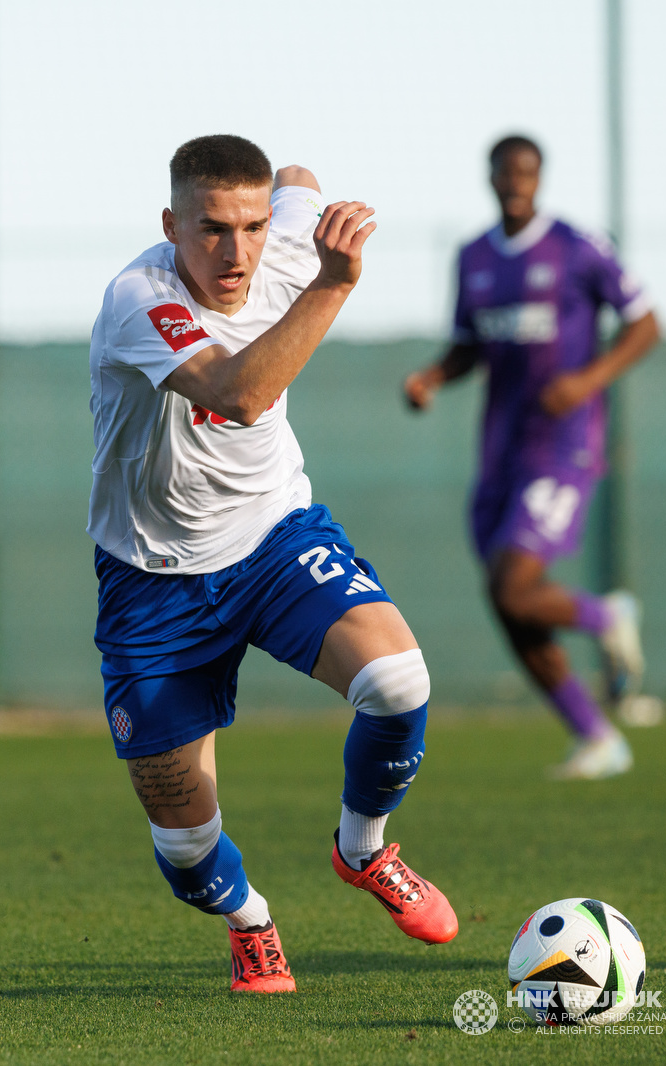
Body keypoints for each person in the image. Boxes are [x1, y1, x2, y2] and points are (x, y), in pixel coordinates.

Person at [88, 135, 458, 994]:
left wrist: (299, 202)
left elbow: (295, 182)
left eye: (253, 226)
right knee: (185, 853)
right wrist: (333, 282)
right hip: (153, 582)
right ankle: (250, 919)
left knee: (399, 680)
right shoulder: (141, 299)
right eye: (212, 228)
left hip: (273, 539)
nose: (237, 250)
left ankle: (362, 849)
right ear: (171, 224)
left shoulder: (284, 240)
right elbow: (240, 395)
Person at [403, 135, 659, 781]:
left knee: (513, 585)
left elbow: (646, 324)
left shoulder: (578, 246)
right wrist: (433, 377)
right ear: (490, 177)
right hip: (499, 451)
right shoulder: (474, 257)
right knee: (508, 600)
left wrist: (587, 381)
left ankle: (607, 615)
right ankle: (598, 738)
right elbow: (469, 345)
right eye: (506, 172)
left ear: (539, 177)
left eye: (527, 171)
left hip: (563, 445)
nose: (516, 181)